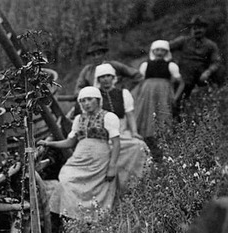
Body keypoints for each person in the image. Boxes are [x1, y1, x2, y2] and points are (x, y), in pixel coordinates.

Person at [38, 87, 120, 222]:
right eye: (82, 101)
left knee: (96, 188)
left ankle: (95, 219)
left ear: (98, 100)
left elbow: (116, 143)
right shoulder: (78, 119)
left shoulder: (109, 117)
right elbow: (70, 142)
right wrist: (49, 144)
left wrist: (112, 166)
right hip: (80, 157)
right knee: (67, 178)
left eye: (90, 99)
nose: (86, 103)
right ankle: (73, 216)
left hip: (99, 158)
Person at [94, 63, 151, 192]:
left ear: (114, 77)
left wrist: (134, 132)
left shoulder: (123, 93)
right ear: (98, 79)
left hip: (122, 132)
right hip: (103, 134)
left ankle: (134, 184)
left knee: (138, 146)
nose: (106, 79)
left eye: (108, 76)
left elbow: (130, 115)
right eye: (102, 77)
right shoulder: (95, 96)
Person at [133, 40, 184, 160]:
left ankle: (163, 149)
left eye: (162, 50)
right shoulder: (145, 65)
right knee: (147, 116)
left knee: (163, 117)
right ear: (153, 51)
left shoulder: (171, 66)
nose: (159, 53)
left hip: (163, 94)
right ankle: (148, 148)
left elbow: (181, 83)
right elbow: (140, 82)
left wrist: (175, 97)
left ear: (166, 52)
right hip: (148, 94)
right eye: (157, 50)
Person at [169, 15, 222, 104]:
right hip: (184, 74)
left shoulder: (211, 45)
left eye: (200, 28)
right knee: (178, 99)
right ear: (191, 29)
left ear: (205, 29)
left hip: (200, 75)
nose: (197, 30)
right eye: (194, 28)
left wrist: (208, 72)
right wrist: (171, 63)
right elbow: (166, 47)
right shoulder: (183, 40)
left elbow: (216, 62)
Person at [74, 40, 143, 95]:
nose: (96, 57)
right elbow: (78, 88)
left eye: (99, 54)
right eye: (93, 55)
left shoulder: (114, 65)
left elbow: (137, 75)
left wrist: (126, 89)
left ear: (104, 54)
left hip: (115, 97)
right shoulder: (88, 70)